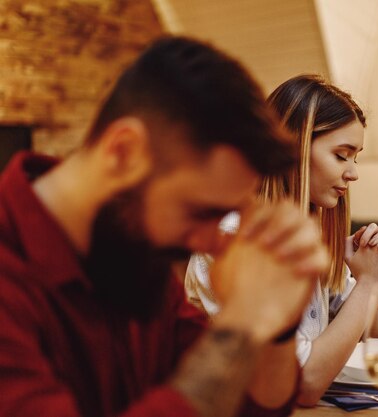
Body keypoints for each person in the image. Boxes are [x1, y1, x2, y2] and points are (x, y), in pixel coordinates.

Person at [0, 37, 330, 417]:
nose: (214, 241)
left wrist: (278, 323)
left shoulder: (129, 252)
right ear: (123, 152)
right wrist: (241, 324)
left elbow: (253, 407)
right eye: (202, 211)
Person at [186, 74, 378, 406]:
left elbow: (377, 336)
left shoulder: (307, 231)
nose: (353, 173)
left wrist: (377, 284)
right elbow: (301, 385)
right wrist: (368, 285)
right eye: (341, 155)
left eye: (356, 157)